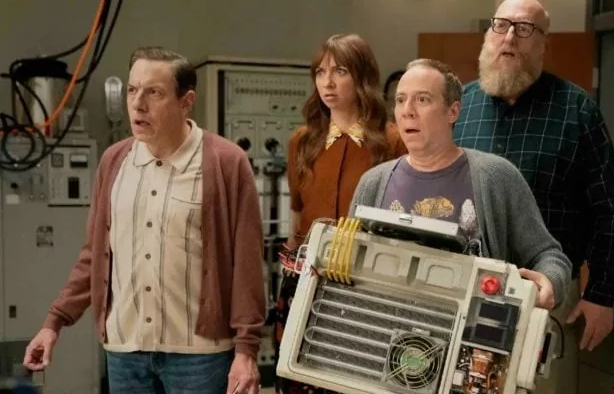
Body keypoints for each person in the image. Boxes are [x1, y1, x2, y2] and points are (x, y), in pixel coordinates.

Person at [22, 46, 265, 394]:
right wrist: (53, 323)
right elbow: (94, 255)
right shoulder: (113, 161)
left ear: (186, 101)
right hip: (125, 351)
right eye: (132, 90)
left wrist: (246, 350)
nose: (138, 104)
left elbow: (247, 264)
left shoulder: (226, 162)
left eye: (154, 93)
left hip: (200, 356)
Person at [453, 0, 614, 392]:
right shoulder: (460, 108)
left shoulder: (576, 111)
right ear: (487, 36)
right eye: (500, 25)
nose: (509, 37)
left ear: (543, 43)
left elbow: (609, 211)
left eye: (524, 29)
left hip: (546, 296)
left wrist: (601, 295)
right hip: (466, 292)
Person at [349, 58, 572, 313]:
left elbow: (549, 256)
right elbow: (348, 267)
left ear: (453, 112)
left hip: (468, 333)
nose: (407, 111)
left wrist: (551, 282)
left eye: (422, 99)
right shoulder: (373, 183)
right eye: (400, 100)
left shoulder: (496, 177)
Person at [273, 33, 406, 393]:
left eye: (340, 71)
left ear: (362, 77)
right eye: (320, 72)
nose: (327, 82)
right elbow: (297, 215)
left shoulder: (392, 142)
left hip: (367, 288)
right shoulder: (302, 141)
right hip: (306, 279)